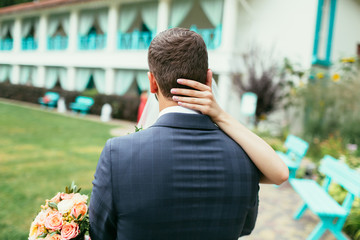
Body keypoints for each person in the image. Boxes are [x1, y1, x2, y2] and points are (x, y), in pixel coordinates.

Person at [90, 28, 288, 240]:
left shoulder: (117, 154)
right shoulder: (244, 156)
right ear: (208, 79)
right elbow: (246, 226)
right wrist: (221, 116)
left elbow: (99, 233)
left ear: (152, 83)